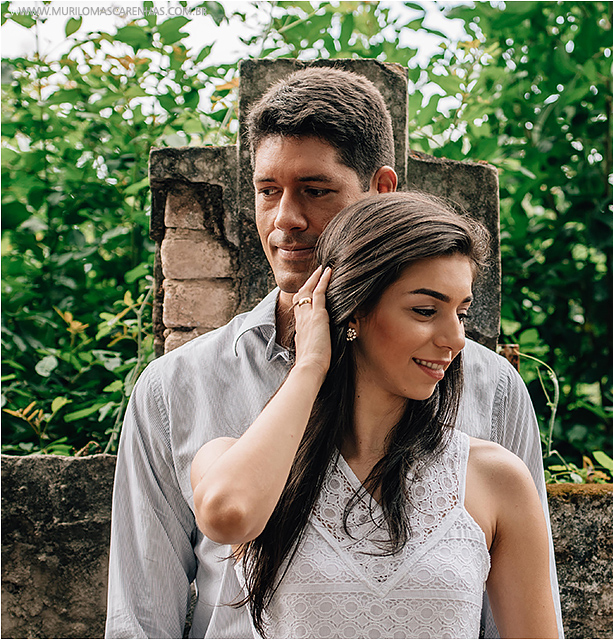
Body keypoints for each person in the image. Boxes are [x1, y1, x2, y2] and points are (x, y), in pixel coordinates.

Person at [105, 66, 563, 638]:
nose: (285, 222)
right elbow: (140, 621)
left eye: (316, 191)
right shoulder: (178, 388)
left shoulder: (490, 388)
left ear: (382, 193)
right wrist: (310, 366)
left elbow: (510, 618)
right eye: (268, 192)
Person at [191, 192, 558, 638]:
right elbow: (228, 515)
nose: (456, 339)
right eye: (425, 311)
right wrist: (309, 366)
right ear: (355, 312)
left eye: (460, 313)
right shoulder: (237, 460)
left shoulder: (495, 478)